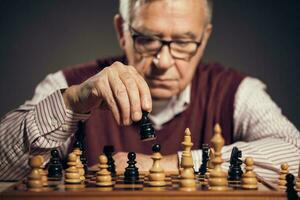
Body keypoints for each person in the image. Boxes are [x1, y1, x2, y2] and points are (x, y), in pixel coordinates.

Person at [0, 0, 299, 182]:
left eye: (183, 42)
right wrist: (72, 104)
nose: (163, 62)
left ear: (204, 39)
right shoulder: (70, 85)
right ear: (122, 31)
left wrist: (172, 164)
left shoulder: (236, 92)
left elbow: (296, 153)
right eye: (147, 39)